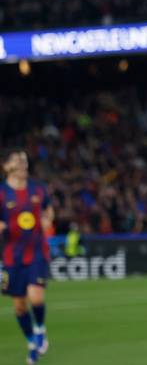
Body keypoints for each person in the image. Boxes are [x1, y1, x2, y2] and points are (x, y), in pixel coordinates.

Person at [1, 148, 53, 364]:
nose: (23, 164)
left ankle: (40, 328)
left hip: (37, 251)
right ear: (6, 167)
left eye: (24, 161)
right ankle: (31, 343)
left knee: (36, 298)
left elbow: (48, 209)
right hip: (12, 256)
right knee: (20, 305)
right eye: (17, 161)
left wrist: (48, 219)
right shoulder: (2, 193)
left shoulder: (38, 188)